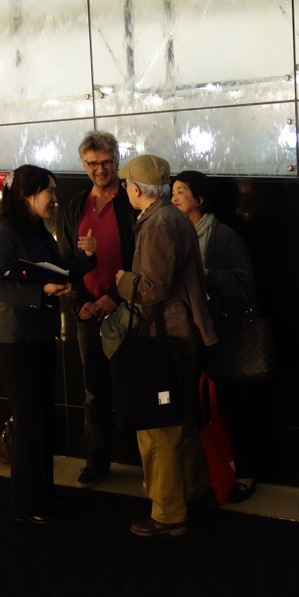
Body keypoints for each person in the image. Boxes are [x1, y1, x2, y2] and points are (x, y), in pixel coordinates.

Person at [0, 165, 97, 525]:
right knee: (30, 422)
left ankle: (43, 496)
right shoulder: (4, 234)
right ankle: (27, 503)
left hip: (41, 337)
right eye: (48, 190)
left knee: (42, 420)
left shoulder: (40, 232)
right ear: (26, 195)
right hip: (15, 342)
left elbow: (60, 271)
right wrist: (40, 292)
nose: (55, 198)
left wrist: (88, 258)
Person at [115, 155, 217, 536]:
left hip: (166, 337)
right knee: (182, 420)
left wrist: (124, 281)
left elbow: (153, 289)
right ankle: (196, 493)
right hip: (183, 336)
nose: (125, 189)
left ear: (137, 189)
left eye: (127, 184)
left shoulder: (157, 223)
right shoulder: (172, 217)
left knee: (159, 429)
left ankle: (168, 513)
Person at [171, 170, 259, 502]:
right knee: (194, 409)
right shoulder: (176, 233)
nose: (174, 198)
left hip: (222, 335)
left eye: (181, 192)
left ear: (200, 199)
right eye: (173, 192)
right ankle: (205, 473)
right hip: (188, 333)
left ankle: (246, 473)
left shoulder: (222, 236)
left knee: (232, 406)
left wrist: (207, 275)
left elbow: (243, 284)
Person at [59, 130, 137, 488]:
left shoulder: (132, 201)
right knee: (94, 392)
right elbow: (63, 261)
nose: (100, 169)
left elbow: (142, 258)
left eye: (106, 162)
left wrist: (116, 297)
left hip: (128, 308)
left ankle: (143, 459)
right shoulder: (76, 205)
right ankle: (97, 458)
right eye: (92, 163)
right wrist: (79, 302)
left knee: (134, 384)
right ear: (83, 165)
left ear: (117, 160)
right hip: (87, 311)